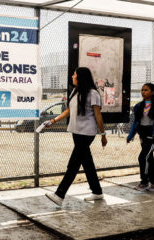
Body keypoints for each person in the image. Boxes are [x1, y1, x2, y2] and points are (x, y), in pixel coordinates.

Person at [44, 67, 107, 207]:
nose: (72, 76)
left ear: (80, 77)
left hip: (87, 133)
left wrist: (103, 134)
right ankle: (97, 192)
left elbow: (98, 115)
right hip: (76, 132)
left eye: (74, 74)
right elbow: (68, 111)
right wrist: (53, 121)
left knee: (73, 164)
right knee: (87, 163)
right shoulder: (75, 91)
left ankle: (59, 194)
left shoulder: (93, 94)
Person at [127, 83, 154, 191]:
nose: (143, 92)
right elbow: (135, 123)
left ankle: (144, 182)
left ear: (152, 92)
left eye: (146, 90)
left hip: (153, 137)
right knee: (149, 159)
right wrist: (130, 135)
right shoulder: (138, 106)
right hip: (143, 136)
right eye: (142, 90)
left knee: (143, 157)